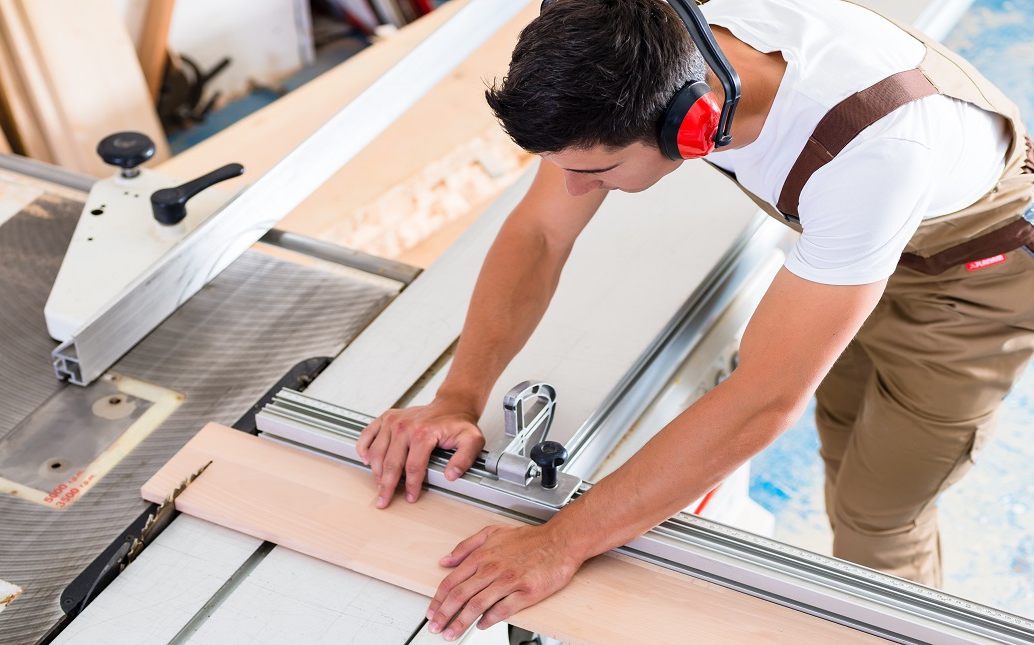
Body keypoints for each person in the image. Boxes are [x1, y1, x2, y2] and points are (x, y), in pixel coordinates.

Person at [356, 0, 1034, 639]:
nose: (573, 188)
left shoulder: (874, 148)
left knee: (878, 518)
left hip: (969, 285)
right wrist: (457, 396)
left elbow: (765, 397)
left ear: (695, 125)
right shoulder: (655, 41)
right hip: (860, 250)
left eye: (599, 171)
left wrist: (560, 540)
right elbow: (539, 233)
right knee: (845, 438)